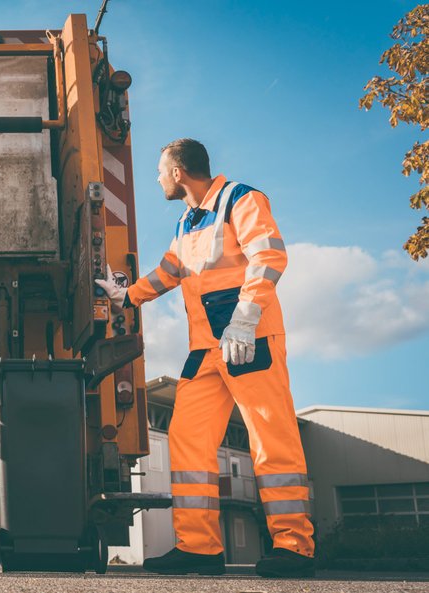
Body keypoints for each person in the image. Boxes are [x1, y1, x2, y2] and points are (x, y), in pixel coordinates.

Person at [96, 139, 315, 578]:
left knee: (271, 438)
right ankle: (199, 548)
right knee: (186, 436)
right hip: (207, 351)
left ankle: (294, 546)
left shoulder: (241, 199)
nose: (157, 178)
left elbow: (269, 256)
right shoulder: (186, 224)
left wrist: (245, 320)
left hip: (249, 340)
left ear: (178, 173)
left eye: (160, 171)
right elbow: (170, 272)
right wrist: (127, 296)